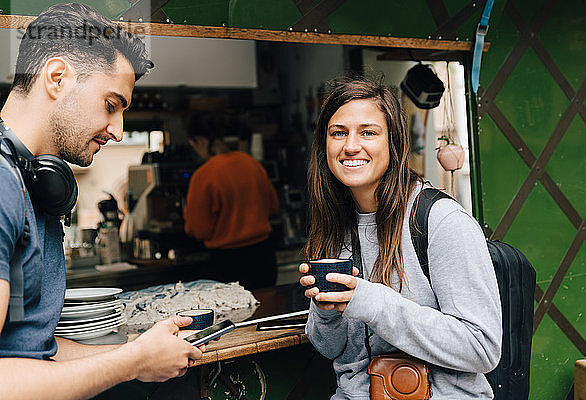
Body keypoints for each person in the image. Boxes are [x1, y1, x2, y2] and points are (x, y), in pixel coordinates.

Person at [0, 4, 205, 399]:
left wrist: (139, 353)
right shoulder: (4, 184)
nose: (117, 131)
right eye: (111, 105)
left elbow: (32, 353)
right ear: (57, 78)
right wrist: (134, 362)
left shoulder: (32, 182)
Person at [298, 77, 502, 399]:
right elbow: (331, 349)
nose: (351, 146)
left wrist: (372, 302)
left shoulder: (441, 222)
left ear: (393, 142)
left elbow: (481, 347)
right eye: (339, 133)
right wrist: (325, 311)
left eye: (368, 132)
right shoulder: (335, 227)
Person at [185, 113, 280, 290]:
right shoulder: (252, 164)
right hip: (263, 257)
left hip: (228, 264)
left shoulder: (204, 175)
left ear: (200, 141)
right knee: (267, 311)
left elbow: (199, 230)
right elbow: (273, 207)